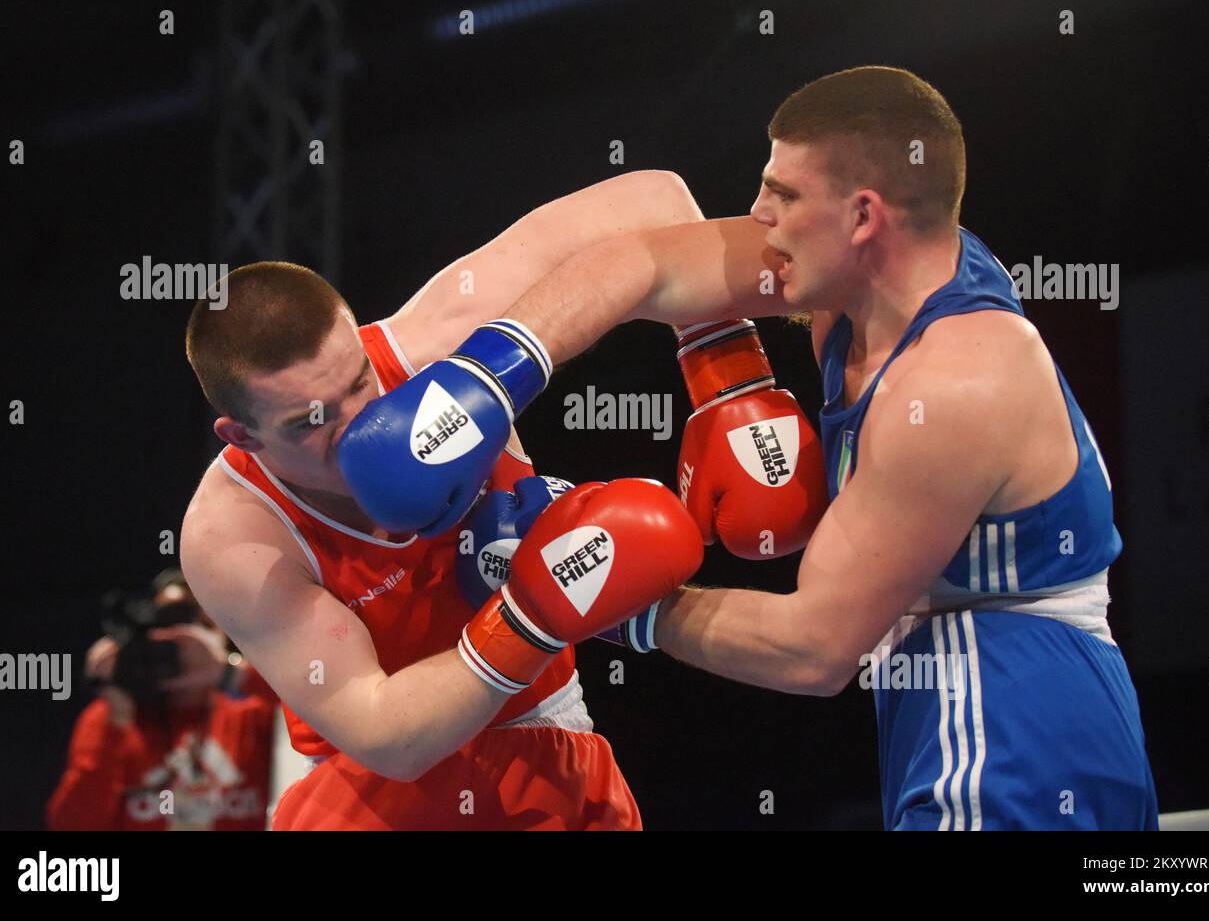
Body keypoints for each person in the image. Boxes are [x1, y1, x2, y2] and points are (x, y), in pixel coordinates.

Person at [380, 67, 1158, 830]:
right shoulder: (871, 277)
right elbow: (642, 256)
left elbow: (814, 651)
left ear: (862, 215)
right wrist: (487, 378)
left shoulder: (954, 382)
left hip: (1012, 733)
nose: (758, 214)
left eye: (782, 195)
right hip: (973, 707)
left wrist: (591, 585)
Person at [179, 172, 705, 830]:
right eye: (310, 422)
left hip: (548, 748)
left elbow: (654, 200)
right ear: (240, 436)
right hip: (371, 799)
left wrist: (724, 371)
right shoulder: (235, 536)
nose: (358, 426)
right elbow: (388, 736)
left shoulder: (435, 346)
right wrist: (536, 607)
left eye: (359, 382)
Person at [47, 571, 277, 830]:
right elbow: (72, 826)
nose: (185, 641)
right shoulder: (112, 719)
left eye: (202, 625)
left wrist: (231, 672)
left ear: (222, 635)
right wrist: (115, 712)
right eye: (167, 627)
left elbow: (315, 709)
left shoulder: (255, 716)